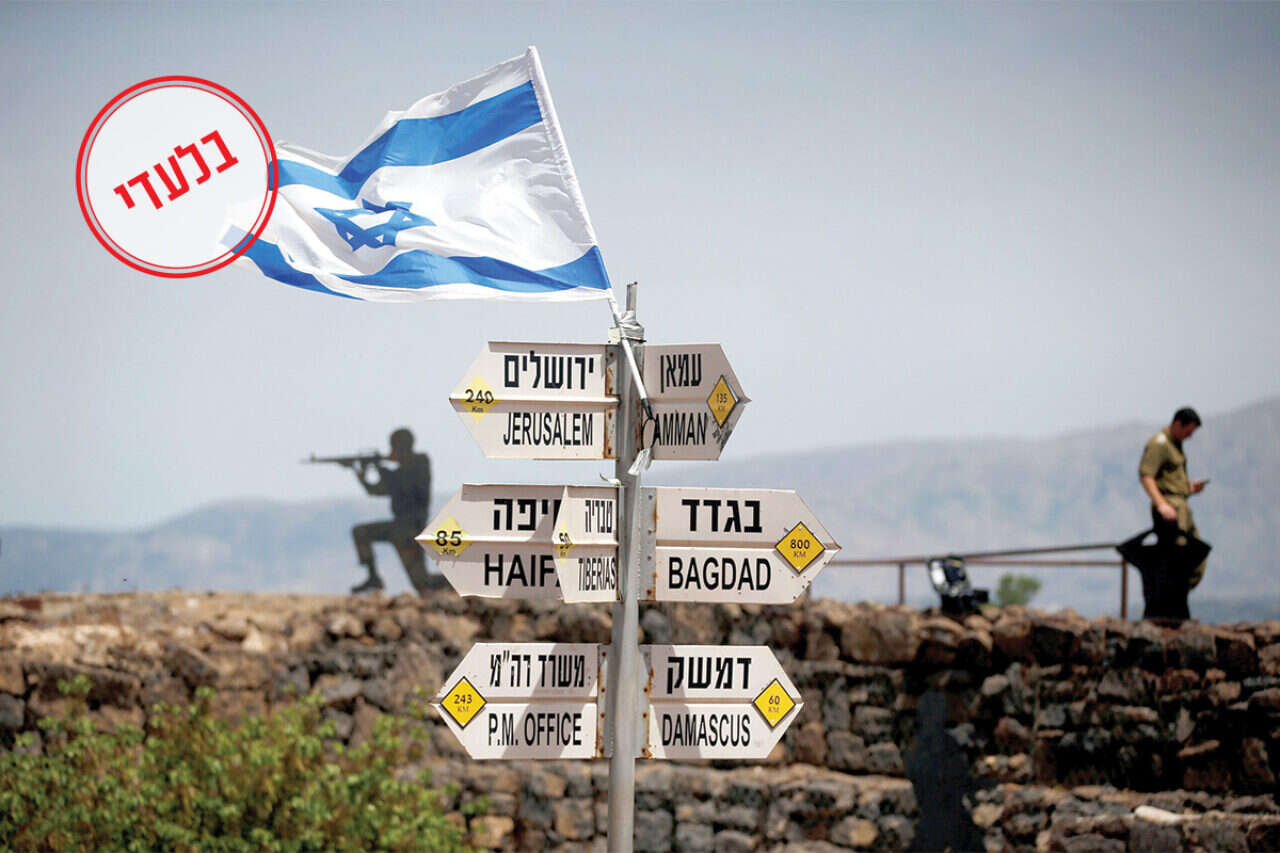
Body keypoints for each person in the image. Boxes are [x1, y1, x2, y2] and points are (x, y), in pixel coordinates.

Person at [351, 428, 433, 594]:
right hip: (399, 529)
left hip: (410, 530)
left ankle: (460, 585)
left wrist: (380, 468)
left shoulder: (420, 463)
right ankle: (373, 578)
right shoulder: (400, 471)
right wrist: (362, 477)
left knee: (423, 583)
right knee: (361, 533)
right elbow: (379, 490)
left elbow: (402, 481)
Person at [1138, 407, 1209, 589]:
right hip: (1170, 509)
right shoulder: (1159, 444)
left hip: (1181, 507)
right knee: (1176, 555)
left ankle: (1177, 595)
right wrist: (1161, 504)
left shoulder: (1175, 445)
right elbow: (1146, 476)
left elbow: (1169, 480)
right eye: (1188, 431)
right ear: (1178, 424)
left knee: (1194, 554)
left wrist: (1188, 488)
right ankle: (1168, 598)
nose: (1189, 436)